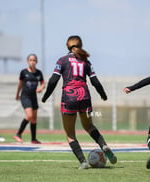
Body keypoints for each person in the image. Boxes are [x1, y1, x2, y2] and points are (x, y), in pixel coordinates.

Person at [42, 35, 117, 169]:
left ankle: (83, 162)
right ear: (80, 46)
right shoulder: (86, 62)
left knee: (70, 134)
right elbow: (95, 82)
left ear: (67, 46)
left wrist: (45, 96)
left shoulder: (62, 60)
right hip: (85, 97)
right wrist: (103, 95)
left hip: (69, 98)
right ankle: (104, 145)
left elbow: (53, 80)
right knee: (89, 126)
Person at [14, 54, 45, 144]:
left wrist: (41, 88)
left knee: (34, 119)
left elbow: (43, 83)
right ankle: (18, 134)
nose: (32, 62)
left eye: (34, 60)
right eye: (30, 60)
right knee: (29, 116)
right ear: (27, 61)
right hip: (25, 96)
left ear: (36, 62)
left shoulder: (39, 73)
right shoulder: (24, 72)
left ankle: (33, 139)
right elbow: (20, 84)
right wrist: (17, 94)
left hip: (33, 97)